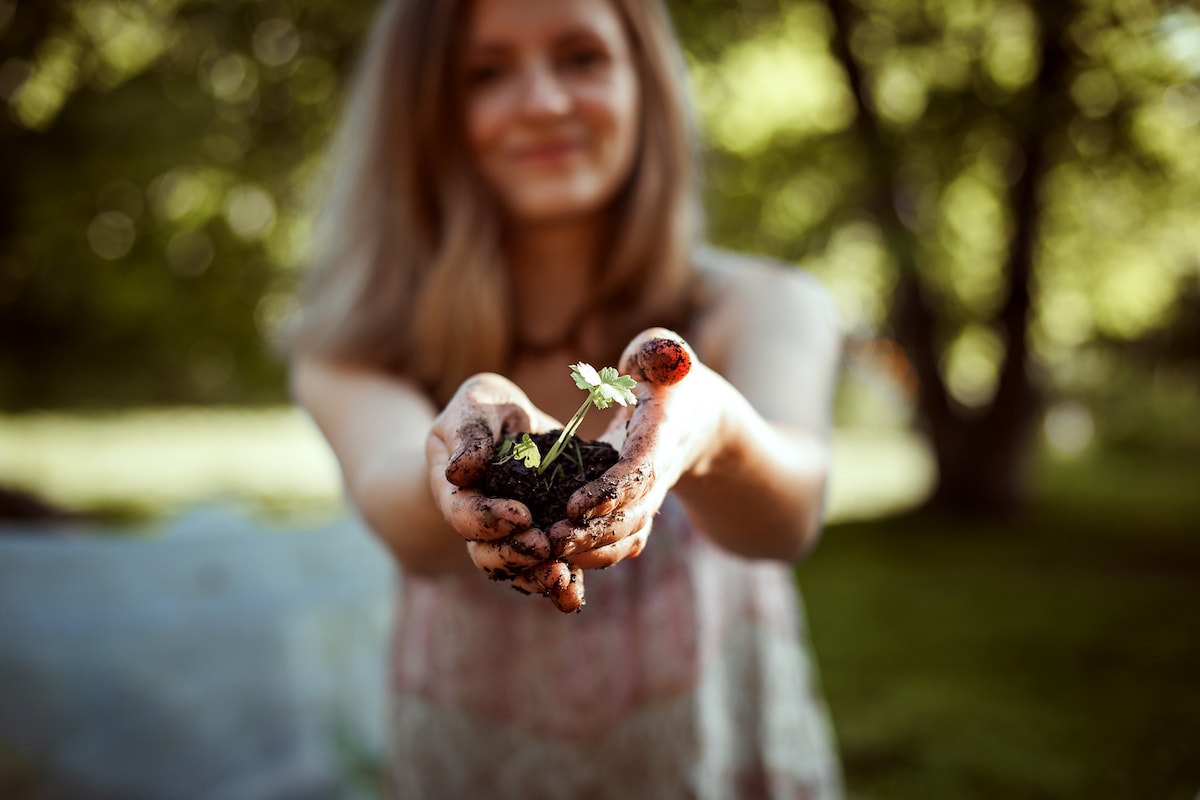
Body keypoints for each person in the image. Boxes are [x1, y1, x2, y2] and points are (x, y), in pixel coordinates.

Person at [286, 0, 845, 796]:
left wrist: (709, 426)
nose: (545, 102)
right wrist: (459, 456)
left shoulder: (760, 307)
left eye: (582, 58)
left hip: (709, 754)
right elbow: (402, 518)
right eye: (487, 72)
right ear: (426, 110)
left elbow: (790, 512)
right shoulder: (358, 345)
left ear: (644, 82)